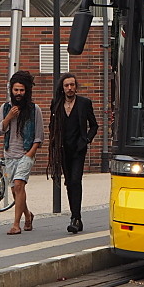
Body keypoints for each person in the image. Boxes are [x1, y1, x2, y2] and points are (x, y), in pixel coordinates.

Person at [48, 72, 98, 234]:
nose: (70, 88)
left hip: (78, 149)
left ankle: (75, 218)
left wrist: (86, 140)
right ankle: (75, 217)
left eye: (72, 85)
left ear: (76, 87)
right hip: (63, 149)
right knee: (69, 182)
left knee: (76, 180)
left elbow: (94, 125)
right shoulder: (56, 103)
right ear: (62, 88)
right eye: (66, 85)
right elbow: (51, 124)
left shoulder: (84, 103)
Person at [0, 69, 43, 235]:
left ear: (27, 91)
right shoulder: (5, 108)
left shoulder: (34, 109)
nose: (19, 93)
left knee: (18, 184)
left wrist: (30, 154)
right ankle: (28, 216)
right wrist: (8, 117)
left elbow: (39, 137)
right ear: (11, 90)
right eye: (16, 90)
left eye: (22, 90)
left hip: (26, 153)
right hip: (9, 155)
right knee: (16, 190)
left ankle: (16, 224)